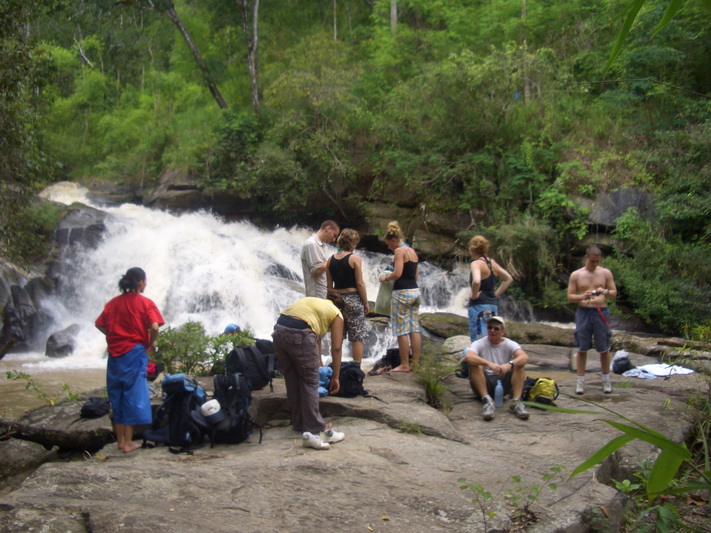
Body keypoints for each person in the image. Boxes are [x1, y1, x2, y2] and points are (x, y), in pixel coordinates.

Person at [95, 267, 164, 453]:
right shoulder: (145, 303)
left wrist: (113, 335)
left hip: (115, 353)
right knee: (132, 395)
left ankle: (119, 441)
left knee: (117, 395)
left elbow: (99, 323)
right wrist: (149, 343)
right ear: (140, 282)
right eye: (145, 281)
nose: (146, 284)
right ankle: (128, 442)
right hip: (134, 352)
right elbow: (155, 326)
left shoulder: (112, 304)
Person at [271, 294, 346, 450]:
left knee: (292, 379)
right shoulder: (336, 313)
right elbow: (336, 348)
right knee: (310, 382)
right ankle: (316, 430)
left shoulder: (314, 304)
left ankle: (299, 423)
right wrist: (336, 376)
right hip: (300, 333)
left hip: (279, 330)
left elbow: (315, 337)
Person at [567, 246, 617, 395]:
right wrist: (582, 296)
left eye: (597, 261)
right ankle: (580, 381)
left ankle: (606, 379)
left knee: (604, 347)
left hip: (601, 311)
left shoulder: (605, 273)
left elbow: (614, 293)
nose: (594, 264)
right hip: (584, 312)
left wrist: (605, 291)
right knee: (582, 347)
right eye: (592, 261)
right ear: (586, 258)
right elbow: (570, 297)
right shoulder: (576, 275)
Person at [463, 315, 530, 421]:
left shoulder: (510, 344)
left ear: (502, 332)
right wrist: (489, 364)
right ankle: (487, 400)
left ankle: (516, 401)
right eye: (489, 328)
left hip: (503, 383)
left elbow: (524, 357)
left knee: (519, 365)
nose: (492, 331)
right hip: (484, 383)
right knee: (476, 363)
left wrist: (509, 365)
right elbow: (468, 356)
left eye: (496, 328)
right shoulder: (479, 343)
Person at [378, 221, 421, 372]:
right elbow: (416, 275)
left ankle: (404, 365)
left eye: (388, 244)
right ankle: (415, 363)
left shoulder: (399, 251)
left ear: (392, 240)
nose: (389, 247)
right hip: (415, 292)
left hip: (402, 293)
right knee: (413, 328)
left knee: (401, 329)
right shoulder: (412, 251)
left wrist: (385, 278)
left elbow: (397, 273)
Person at [326, 228, 370, 362]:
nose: (355, 246)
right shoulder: (355, 258)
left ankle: (336, 369)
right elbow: (360, 283)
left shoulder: (329, 260)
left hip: (336, 301)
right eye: (355, 243)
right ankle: (356, 368)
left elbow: (329, 286)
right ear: (351, 243)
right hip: (353, 299)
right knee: (357, 337)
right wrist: (366, 302)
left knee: (337, 337)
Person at [467, 235, 513, 341]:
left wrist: (474, 295)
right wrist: (495, 294)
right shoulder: (492, 263)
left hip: (478, 307)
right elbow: (508, 279)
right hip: (492, 306)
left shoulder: (476, 263)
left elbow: (477, 281)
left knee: (478, 339)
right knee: (490, 338)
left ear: (473, 249)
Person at [300, 220, 340, 298]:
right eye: (334, 235)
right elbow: (316, 271)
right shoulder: (311, 244)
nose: (334, 239)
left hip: (321, 293)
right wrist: (333, 258)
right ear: (328, 228)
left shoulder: (320, 245)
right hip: (316, 295)